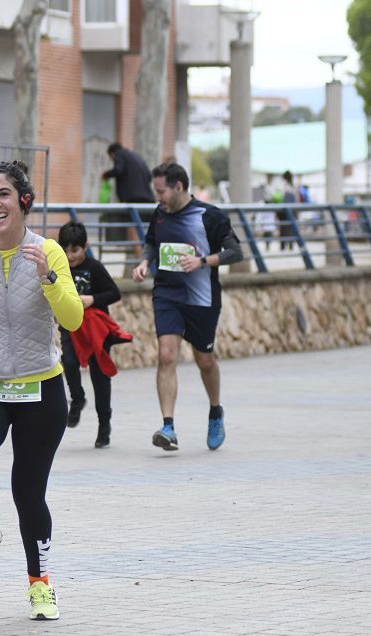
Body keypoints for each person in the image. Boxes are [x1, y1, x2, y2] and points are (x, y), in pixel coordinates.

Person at [0, 160, 83, 621]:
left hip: (40, 390)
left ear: (23, 200)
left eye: (3, 194)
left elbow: (72, 320)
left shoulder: (50, 252)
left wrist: (48, 276)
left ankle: (40, 585)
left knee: (27, 492)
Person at [132, 162, 244, 452]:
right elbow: (151, 244)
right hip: (167, 294)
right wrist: (144, 263)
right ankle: (168, 427)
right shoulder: (159, 214)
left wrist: (202, 261)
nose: (157, 197)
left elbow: (236, 252)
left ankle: (215, 411)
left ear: (178, 186)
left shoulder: (210, 216)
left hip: (202, 297)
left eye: (161, 191)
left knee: (204, 359)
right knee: (166, 355)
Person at [57, 221, 132, 448]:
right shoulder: (59, 269)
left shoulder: (95, 268)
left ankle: (104, 424)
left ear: (85, 246)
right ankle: (77, 398)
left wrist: (92, 300)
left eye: (75, 250)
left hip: (96, 330)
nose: (70, 256)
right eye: (66, 250)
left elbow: (114, 293)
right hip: (70, 327)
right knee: (68, 362)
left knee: (100, 377)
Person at [102, 143, 153, 258]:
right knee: (144, 229)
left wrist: (106, 174)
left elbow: (119, 170)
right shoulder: (136, 156)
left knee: (132, 229)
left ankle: (140, 261)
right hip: (148, 199)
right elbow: (149, 176)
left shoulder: (119, 155)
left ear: (112, 154)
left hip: (133, 199)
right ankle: (147, 259)